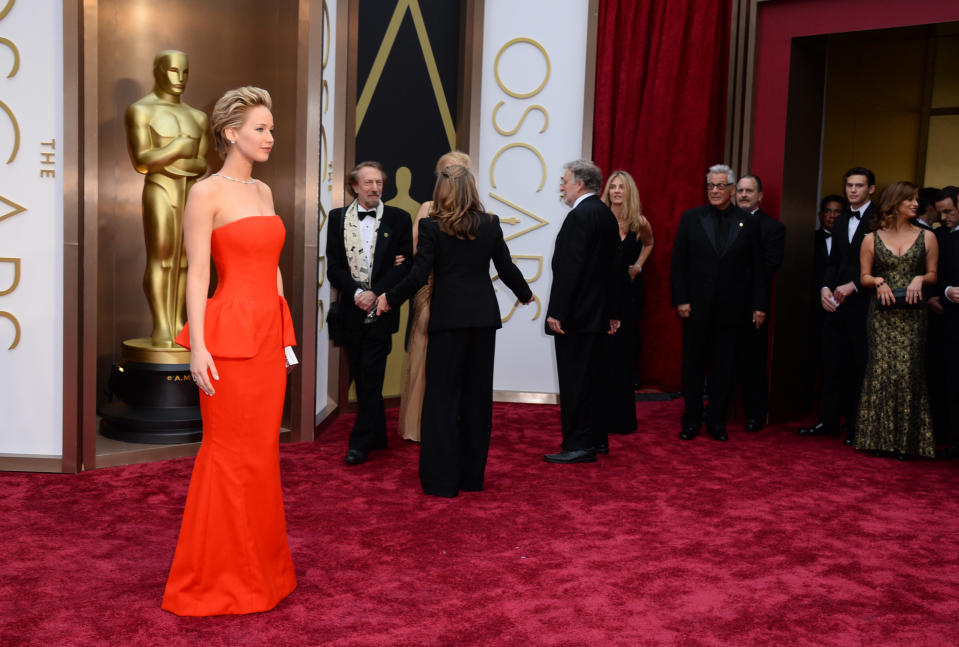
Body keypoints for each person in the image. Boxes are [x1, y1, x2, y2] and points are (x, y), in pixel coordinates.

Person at [163, 86, 296, 615]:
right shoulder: (206, 194)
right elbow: (195, 275)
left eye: (271, 129)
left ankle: (263, 572)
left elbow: (274, 266)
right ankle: (216, 577)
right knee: (228, 456)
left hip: (267, 340)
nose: (270, 137)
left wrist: (284, 335)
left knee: (262, 458)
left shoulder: (262, 193)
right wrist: (197, 346)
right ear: (230, 132)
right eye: (261, 128)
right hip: (229, 340)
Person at [375, 164, 532, 497]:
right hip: (482, 321)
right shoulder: (490, 224)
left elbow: (418, 275)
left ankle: (441, 482)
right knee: (477, 401)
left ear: (442, 192)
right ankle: (471, 478)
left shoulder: (432, 227)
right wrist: (525, 293)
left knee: (441, 401)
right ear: (472, 190)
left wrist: (390, 296)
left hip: (447, 322)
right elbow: (505, 268)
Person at [670, 164, 766, 442]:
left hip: (732, 309)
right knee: (693, 367)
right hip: (696, 307)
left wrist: (759, 306)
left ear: (733, 190)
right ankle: (690, 420)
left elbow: (757, 269)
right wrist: (681, 299)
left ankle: (717, 421)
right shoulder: (691, 218)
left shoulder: (748, 222)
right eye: (711, 185)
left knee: (724, 368)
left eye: (721, 185)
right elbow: (679, 264)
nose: (714, 190)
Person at [327, 162, 412, 465]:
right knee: (361, 374)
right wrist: (355, 294)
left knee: (371, 374)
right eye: (368, 183)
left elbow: (404, 267)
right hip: (351, 311)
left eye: (379, 182)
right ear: (354, 187)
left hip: (383, 308)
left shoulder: (399, 219)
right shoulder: (337, 219)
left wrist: (375, 293)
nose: (375, 188)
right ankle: (377, 434)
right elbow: (334, 267)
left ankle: (360, 443)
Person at [125, 50, 209, 348]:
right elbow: (142, 161)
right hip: (159, 190)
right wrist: (177, 149)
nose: (180, 78)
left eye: (185, 72)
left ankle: (179, 322)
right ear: (158, 71)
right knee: (162, 258)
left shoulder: (197, 116)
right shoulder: (140, 111)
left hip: (190, 193)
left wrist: (174, 158)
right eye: (173, 71)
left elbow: (202, 164)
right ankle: (162, 325)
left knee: (186, 260)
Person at [545, 160, 620, 463]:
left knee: (576, 382)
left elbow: (569, 270)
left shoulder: (579, 216)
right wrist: (613, 313)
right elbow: (615, 270)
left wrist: (556, 312)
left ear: (579, 184)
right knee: (594, 382)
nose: (561, 186)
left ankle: (578, 445)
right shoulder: (605, 214)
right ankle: (597, 440)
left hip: (576, 317)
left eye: (564, 181)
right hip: (598, 317)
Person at [856, 181, 937, 459]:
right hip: (882, 314)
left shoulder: (927, 237)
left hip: (913, 315)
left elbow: (933, 274)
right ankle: (876, 440)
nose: (916, 204)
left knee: (909, 371)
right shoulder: (871, 238)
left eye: (916, 199)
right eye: (910, 199)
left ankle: (909, 443)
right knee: (880, 372)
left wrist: (919, 278)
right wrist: (878, 281)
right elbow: (864, 276)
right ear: (894, 203)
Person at [397, 151, 471, 442]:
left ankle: (440, 423)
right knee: (425, 355)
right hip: (429, 292)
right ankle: (422, 424)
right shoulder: (428, 208)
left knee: (454, 360)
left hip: (451, 295)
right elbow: (415, 252)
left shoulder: (470, 211)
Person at [800, 167, 878, 444]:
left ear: (871, 189)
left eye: (859, 185)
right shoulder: (842, 219)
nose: (853, 190)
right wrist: (824, 288)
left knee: (860, 366)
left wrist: (855, 284)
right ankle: (828, 421)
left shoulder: (879, 219)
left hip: (865, 305)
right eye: (849, 185)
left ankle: (858, 427)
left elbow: (883, 266)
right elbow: (834, 263)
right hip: (836, 304)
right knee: (831, 363)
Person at [599, 170, 653, 434]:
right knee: (604, 357)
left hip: (629, 296)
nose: (617, 191)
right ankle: (602, 417)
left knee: (624, 357)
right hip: (604, 296)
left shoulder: (638, 222)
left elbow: (649, 244)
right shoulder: (599, 219)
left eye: (622, 187)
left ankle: (622, 420)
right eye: (613, 187)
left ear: (629, 191)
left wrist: (639, 266)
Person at [735, 174, 785, 431]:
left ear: (760, 196)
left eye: (749, 191)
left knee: (753, 362)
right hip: (722, 304)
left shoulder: (773, 228)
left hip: (753, 304)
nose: (744, 195)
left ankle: (755, 413)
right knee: (723, 359)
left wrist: (758, 304)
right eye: (740, 190)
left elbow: (768, 268)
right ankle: (724, 409)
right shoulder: (725, 220)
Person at [801, 194, 845, 416]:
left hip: (843, 311)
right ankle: (806, 406)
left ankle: (836, 410)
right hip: (813, 312)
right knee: (810, 360)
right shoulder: (809, 240)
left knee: (838, 363)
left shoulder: (850, 240)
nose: (833, 216)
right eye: (828, 211)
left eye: (837, 211)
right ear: (820, 215)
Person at [933, 186, 959, 458]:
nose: (944, 216)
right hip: (947, 319)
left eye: (949, 211)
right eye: (940, 212)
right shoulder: (938, 236)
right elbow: (930, 274)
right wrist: (944, 291)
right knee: (945, 379)